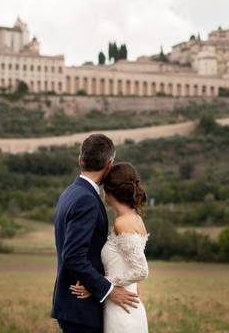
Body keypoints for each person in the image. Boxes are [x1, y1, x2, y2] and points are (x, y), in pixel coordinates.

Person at [51, 134, 141, 333]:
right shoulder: (87, 200)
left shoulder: (70, 192)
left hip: (74, 307)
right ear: (109, 164)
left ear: (80, 160)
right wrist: (108, 290)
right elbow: (73, 256)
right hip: (81, 310)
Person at [69, 161, 150, 333]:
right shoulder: (132, 218)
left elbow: (141, 270)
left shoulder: (123, 222)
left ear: (109, 191)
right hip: (123, 303)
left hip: (123, 310)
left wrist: (99, 286)